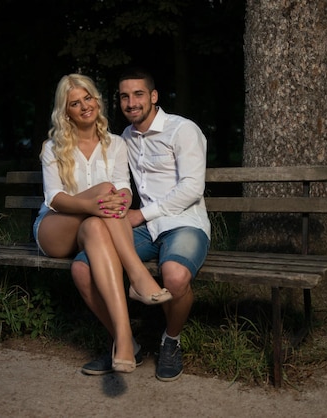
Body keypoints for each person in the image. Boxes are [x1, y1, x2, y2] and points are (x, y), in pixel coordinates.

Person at [73, 68, 211, 381]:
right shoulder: (125, 139)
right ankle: (126, 342)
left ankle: (170, 341)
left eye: (138, 94)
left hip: (184, 222)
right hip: (145, 230)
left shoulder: (183, 130)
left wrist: (141, 214)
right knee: (82, 269)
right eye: (124, 96)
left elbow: (192, 189)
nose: (131, 102)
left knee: (174, 277)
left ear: (153, 96)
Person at [33, 74, 172, 374]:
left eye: (88, 98)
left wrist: (115, 199)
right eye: (75, 103)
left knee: (102, 212)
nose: (84, 106)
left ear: (97, 100)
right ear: (65, 111)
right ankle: (137, 275)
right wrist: (93, 203)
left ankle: (124, 340)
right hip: (56, 228)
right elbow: (54, 198)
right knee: (104, 192)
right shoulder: (53, 146)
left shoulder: (116, 143)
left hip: (93, 228)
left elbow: (124, 189)